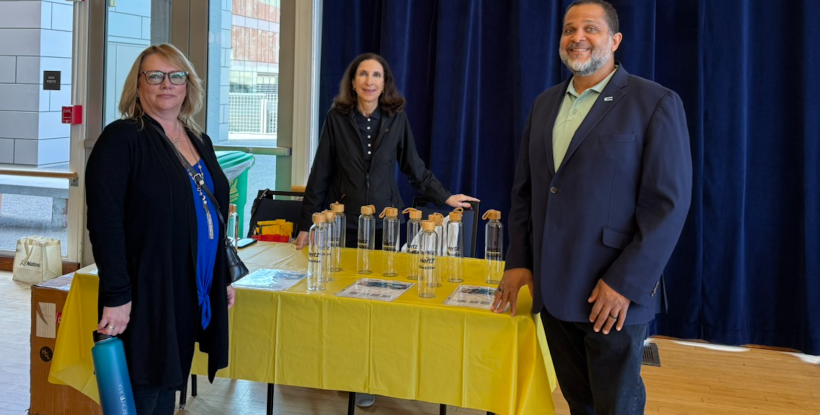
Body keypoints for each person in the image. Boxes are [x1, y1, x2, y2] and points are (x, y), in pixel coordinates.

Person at [492, 1, 692, 414]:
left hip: (613, 292)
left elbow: (667, 206)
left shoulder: (655, 102)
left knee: (615, 406)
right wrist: (518, 261)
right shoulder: (544, 104)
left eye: (590, 29)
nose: (577, 37)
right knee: (577, 402)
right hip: (552, 288)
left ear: (615, 41)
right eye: (568, 29)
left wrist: (626, 282)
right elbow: (525, 193)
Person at [86, 43, 236, 415]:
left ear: (189, 85)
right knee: (142, 392)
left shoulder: (198, 140)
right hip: (146, 290)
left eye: (176, 76)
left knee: (168, 386)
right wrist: (117, 295)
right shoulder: (122, 139)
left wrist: (222, 275)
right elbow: (105, 223)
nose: (166, 84)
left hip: (189, 289)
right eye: (155, 76)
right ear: (138, 86)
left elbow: (211, 213)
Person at [294, 52, 478, 252]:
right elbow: (320, 173)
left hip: (387, 222)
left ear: (384, 84)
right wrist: (306, 225)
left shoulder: (396, 118)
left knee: (383, 281)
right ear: (353, 83)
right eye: (363, 74)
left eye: (376, 75)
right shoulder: (336, 118)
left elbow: (414, 167)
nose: (369, 81)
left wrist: (445, 197)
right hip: (343, 222)